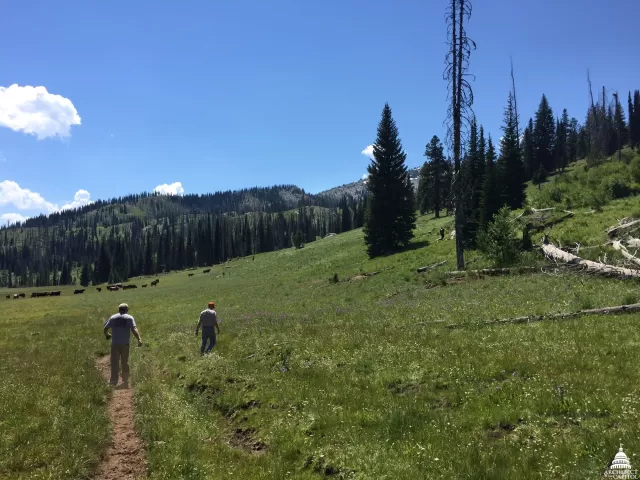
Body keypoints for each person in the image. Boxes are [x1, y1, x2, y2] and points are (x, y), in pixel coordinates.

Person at [104, 303, 142, 388]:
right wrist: (139, 338)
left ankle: (113, 381)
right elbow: (134, 329)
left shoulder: (113, 317)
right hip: (125, 344)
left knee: (114, 362)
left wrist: (107, 335)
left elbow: (105, 328)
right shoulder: (129, 317)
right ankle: (125, 380)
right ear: (126, 310)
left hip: (115, 344)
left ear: (119, 309)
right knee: (125, 362)